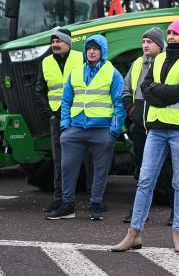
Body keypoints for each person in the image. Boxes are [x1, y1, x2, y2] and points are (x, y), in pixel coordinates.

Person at [112, 20, 179, 254]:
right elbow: (146, 88)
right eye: (170, 33)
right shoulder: (159, 59)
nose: (172, 36)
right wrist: (165, 95)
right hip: (156, 128)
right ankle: (133, 234)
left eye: (176, 33)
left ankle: (178, 234)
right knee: (145, 180)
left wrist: (160, 93)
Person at [45, 34, 125, 221]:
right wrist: (65, 125)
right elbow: (66, 101)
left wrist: (113, 130)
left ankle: (96, 204)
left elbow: (119, 104)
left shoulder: (112, 73)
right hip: (76, 129)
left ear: (102, 51)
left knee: (100, 170)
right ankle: (67, 205)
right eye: (89, 48)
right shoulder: (76, 72)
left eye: (95, 48)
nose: (91, 51)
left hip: (102, 130)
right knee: (67, 167)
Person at [121, 27, 174, 224]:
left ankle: (175, 210)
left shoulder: (169, 63)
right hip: (141, 127)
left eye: (149, 42)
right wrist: (133, 113)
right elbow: (126, 92)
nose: (145, 45)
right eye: (143, 41)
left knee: (169, 170)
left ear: (160, 45)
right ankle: (139, 212)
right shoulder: (137, 64)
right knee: (142, 171)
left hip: (163, 126)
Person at [35, 28, 83, 213]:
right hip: (57, 116)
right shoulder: (45, 62)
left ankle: (95, 199)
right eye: (53, 41)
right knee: (59, 158)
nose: (54, 44)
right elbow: (40, 90)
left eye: (58, 41)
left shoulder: (81, 57)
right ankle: (59, 197)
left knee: (87, 156)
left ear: (68, 43)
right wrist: (50, 114)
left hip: (79, 114)